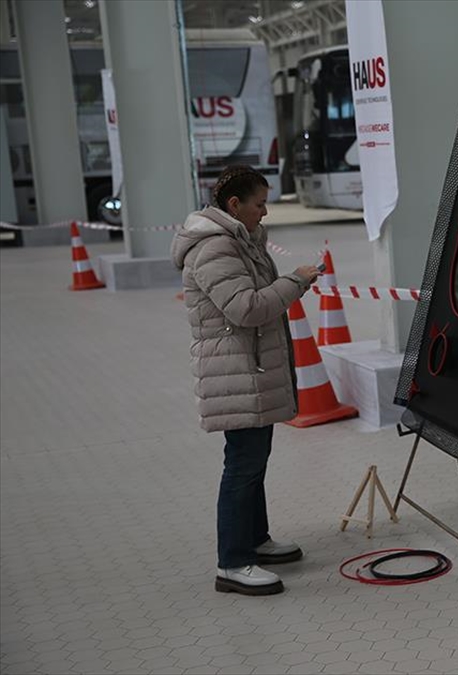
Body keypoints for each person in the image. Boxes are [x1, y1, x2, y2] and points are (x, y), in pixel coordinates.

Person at [170, 165, 321, 596]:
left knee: (254, 459)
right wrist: (296, 281)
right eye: (259, 204)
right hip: (235, 369)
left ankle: (255, 539)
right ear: (234, 205)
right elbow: (246, 308)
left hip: (251, 368)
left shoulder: (240, 239)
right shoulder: (214, 247)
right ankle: (233, 563)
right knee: (242, 465)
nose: (265, 211)